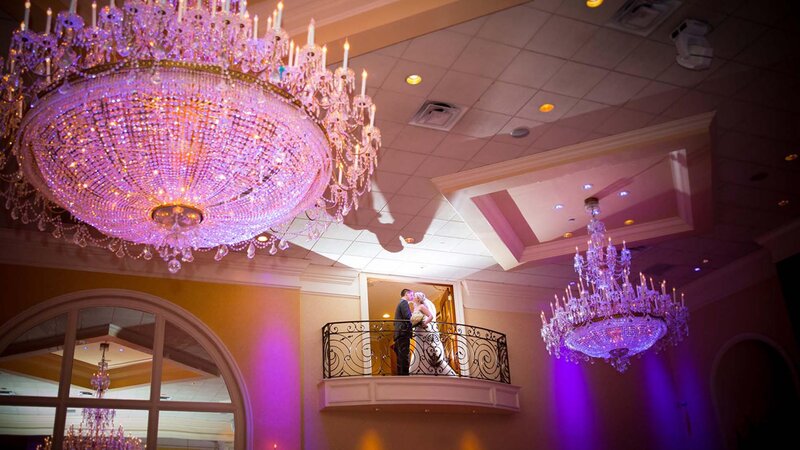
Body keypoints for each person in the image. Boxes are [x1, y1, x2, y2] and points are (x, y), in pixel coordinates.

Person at [409, 291, 456, 376]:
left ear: (418, 299)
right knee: (419, 349)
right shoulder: (415, 308)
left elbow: (430, 316)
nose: (413, 298)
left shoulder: (422, 306)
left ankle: (435, 366)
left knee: (428, 348)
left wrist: (425, 323)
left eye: (415, 296)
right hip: (418, 332)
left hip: (424, 330)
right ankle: (420, 369)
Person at [393, 288, 414, 375]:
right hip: (403, 333)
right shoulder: (404, 303)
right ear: (406, 294)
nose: (412, 297)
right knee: (404, 357)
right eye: (411, 295)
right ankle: (405, 378)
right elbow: (408, 317)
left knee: (400, 358)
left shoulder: (400, 303)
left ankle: (400, 377)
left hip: (398, 334)